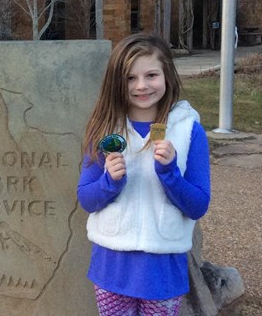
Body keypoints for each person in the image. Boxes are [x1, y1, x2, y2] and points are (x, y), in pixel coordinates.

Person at [77, 34, 210, 316]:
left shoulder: (188, 129)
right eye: (130, 78)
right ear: (116, 81)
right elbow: (86, 199)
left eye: (151, 74)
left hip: (163, 269)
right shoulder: (104, 128)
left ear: (167, 75)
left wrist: (170, 173)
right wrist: (109, 182)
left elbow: (198, 205)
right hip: (111, 265)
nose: (141, 86)